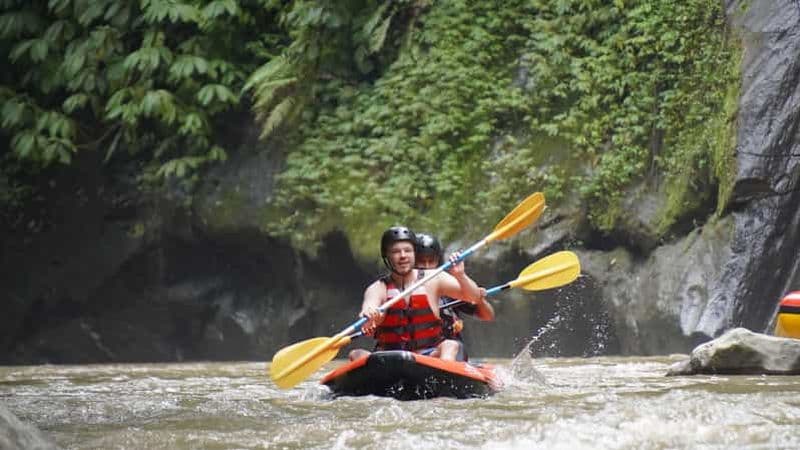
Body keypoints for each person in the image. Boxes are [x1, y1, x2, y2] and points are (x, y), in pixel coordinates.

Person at [348, 226, 482, 361]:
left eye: (407, 250)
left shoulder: (434, 278)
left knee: (450, 345)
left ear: (414, 254)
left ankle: (444, 378)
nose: (403, 256)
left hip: (429, 357)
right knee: (356, 354)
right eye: (395, 252)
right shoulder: (378, 288)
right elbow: (368, 309)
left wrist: (461, 275)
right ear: (386, 256)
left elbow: (474, 297)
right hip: (389, 359)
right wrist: (370, 315)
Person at [415, 233, 495, 361]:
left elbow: (488, 315)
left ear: (438, 261)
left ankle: (445, 373)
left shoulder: (448, 288)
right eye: (421, 261)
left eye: (431, 261)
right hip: (418, 354)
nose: (426, 266)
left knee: (450, 346)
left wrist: (479, 299)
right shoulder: (399, 291)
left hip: (451, 353)